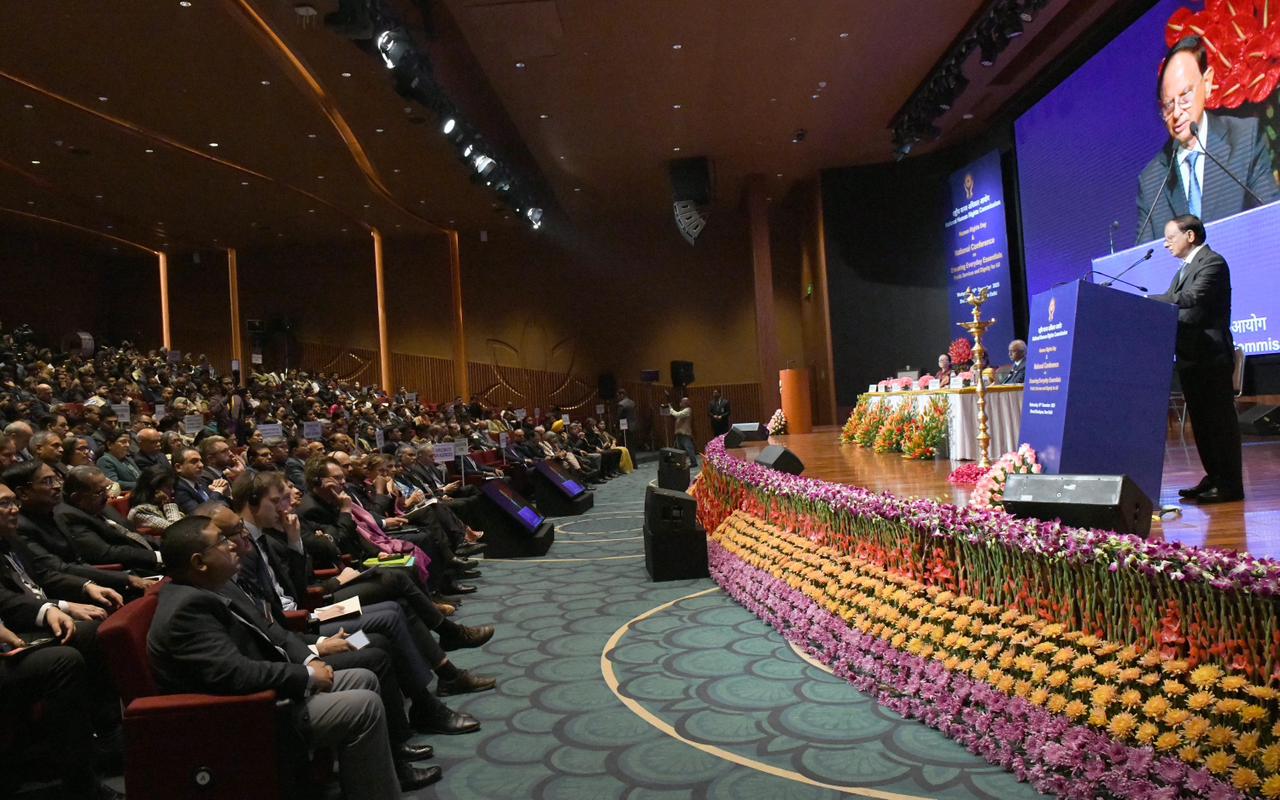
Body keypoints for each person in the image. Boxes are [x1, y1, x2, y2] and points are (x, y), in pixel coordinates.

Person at [147, 516, 440, 798]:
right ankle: (392, 765)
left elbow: (274, 628)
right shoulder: (194, 605)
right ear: (199, 562)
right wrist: (311, 665)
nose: (235, 543)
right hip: (267, 686)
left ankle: (390, 757)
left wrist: (312, 656)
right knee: (372, 658)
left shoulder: (221, 581)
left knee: (382, 631)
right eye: (225, 539)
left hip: (302, 641)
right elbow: (240, 667)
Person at [0, 482, 125, 800]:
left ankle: (109, 736)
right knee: (63, 661)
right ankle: (79, 782)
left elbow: (40, 579)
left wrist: (70, 600)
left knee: (93, 630)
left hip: (18, 627)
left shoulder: (11, 540)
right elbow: (6, 601)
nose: (13, 509)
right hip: (14, 631)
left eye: (14, 502)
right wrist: (48, 610)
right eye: (4, 504)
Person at [1135, 37, 1278, 243]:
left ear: (1208, 83)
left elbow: (1272, 223)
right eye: (1168, 105)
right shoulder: (1152, 181)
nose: (1176, 113)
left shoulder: (1244, 139)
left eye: (1185, 97)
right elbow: (1143, 263)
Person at [1150, 214, 1243, 503]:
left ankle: (1229, 485)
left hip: (1211, 357)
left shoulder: (1213, 263)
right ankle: (1213, 477)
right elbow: (1171, 298)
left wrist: (1145, 301)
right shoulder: (1183, 269)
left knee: (1219, 423)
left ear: (1190, 236)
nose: (1166, 245)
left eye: (1170, 238)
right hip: (1191, 357)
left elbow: (1193, 298)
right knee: (1201, 424)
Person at [127, 464, 185, 531]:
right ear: (153, 488)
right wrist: (169, 504)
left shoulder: (160, 506)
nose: (172, 491)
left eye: (172, 487)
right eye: (168, 487)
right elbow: (176, 530)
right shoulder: (141, 511)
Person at [667, 396, 697, 467]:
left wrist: (670, 408)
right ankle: (682, 463)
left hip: (685, 433)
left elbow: (677, 415)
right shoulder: (683, 409)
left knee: (688, 448)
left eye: (681, 402)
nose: (680, 403)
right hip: (679, 432)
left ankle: (694, 462)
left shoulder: (688, 410)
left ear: (686, 403)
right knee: (680, 450)